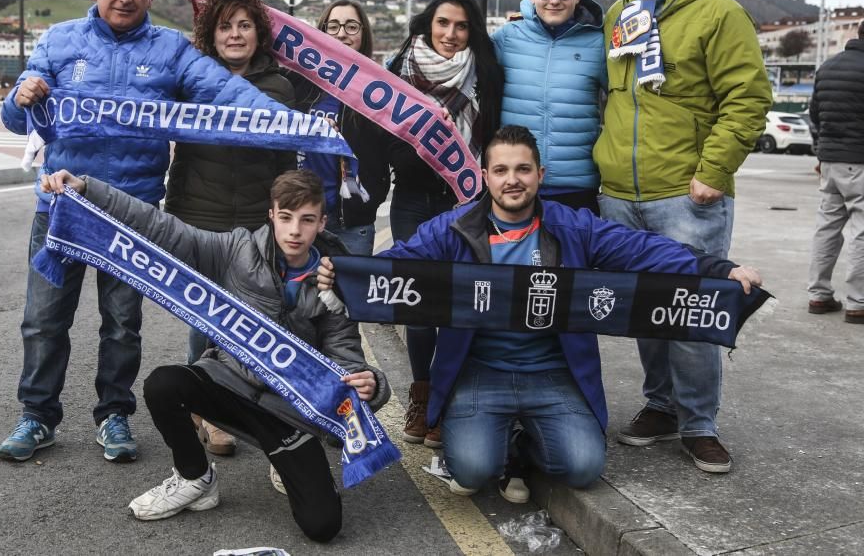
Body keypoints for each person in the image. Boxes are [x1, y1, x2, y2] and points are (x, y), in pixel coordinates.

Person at [318, 125, 761, 501]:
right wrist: (343, 276)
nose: (514, 180)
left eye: (523, 169)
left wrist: (715, 268)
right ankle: (501, 443)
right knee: (471, 472)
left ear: (540, 175)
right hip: (480, 371)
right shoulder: (453, 228)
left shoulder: (573, 225)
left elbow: (643, 250)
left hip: (553, 371)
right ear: (485, 177)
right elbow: (397, 264)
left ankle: (522, 443)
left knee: (584, 468)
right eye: (502, 170)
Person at [0, 0, 299, 465]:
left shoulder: (171, 51)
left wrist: (295, 124)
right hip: (63, 206)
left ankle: (114, 414)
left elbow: (228, 92)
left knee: (121, 323)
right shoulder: (59, 39)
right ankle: (37, 416)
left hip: (132, 212)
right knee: (44, 320)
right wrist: (18, 97)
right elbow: (15, 118)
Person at [38, 168, 389, 542]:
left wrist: (373, 384)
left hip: (288, 414)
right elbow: (163, 228)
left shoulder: (335, 281)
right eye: (285, 218)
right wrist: (90, 189)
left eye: (306, 220)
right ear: (271, 215)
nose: (294, 231)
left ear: (321, 222)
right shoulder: (238, 250)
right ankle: (194, 478)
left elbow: (347, 358)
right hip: (228, 384)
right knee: (163, 384)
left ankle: (282, 459)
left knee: (323, 526)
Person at [593, 0, 772, 473]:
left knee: (693, 310)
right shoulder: (619, 14)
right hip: (621, 194)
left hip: (686, 194)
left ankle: (699, 423)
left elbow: (748, 99)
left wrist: (712, 173)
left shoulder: (717, 12)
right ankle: (660, 406)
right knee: (648, 309)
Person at [163, 0, 296, 456]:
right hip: (200, 214)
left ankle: (236, 399)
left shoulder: (280, 87)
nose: (235, 34)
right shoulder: (189, 80)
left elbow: (288, 162)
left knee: (246, 319)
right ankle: (202, 408)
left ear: (259, 33)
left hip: (257, 222)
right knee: (204, 315)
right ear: (210, 34)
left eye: (245, 25)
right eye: (225, 26)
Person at [385, 0, 504, 448]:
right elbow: (385, 132)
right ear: (427, 24)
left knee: (457, 303)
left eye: (461, 25)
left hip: (466, 201)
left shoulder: (486, 74)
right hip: (412, 200)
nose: (451, 34)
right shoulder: (401, 67)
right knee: (416, 303)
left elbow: (491, 134)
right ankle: (421, 392)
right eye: (442, 23)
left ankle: (445, 398)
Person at [491, 0, 606, 213]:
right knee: (517, 257)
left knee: (572, 256)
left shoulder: (598, 44)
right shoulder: (506, 39)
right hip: (515, 186)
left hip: (577, 190)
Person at [287, 0, 390, 255]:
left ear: (363, 33)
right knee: (297, 293)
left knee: (349, 295)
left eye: (351, 26)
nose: (342, 33)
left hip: (352, 223)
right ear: (321, 31)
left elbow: (397, 146)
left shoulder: (380, 89)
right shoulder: (300, 81)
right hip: (300, 215)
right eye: (333, 26)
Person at [807, 21, 864, 324]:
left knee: (827, 227)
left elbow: (814, 115)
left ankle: (819, 295)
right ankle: (858, 302)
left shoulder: (828, 67)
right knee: (861, 232)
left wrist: (820, 153)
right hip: (860, 162)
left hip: (830, 162)